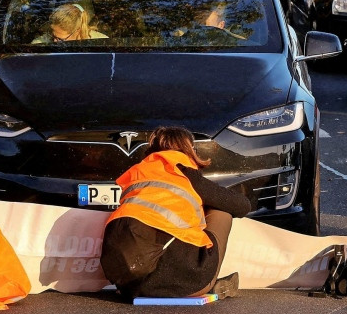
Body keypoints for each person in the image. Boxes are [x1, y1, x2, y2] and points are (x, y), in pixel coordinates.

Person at [100, 126, 255, 300]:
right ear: (189, 149)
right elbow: (242, 206)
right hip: (181, 280)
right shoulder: (184, 173)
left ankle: (167, 284)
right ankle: (209, 283)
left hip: (127, 285)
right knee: (222, 211)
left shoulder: (137, 174)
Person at [32, 2, 108, 43]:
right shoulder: (41, 43)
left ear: (78, 31)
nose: (54, 41)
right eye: (53, 36)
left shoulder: (101, 43)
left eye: (60, 39)